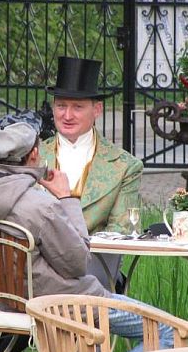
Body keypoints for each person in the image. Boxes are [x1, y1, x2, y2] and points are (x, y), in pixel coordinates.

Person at [0, 110, 173, 352]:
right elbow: (78, 263)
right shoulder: (38, 206)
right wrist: (66, 198)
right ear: (33, 154)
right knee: (167, 331)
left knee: (90, 336)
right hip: (61, 305)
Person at [40, 56, 143, 292]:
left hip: (92, 271)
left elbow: (121, 231)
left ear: (97, 109)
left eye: (77, 107)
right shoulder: (33, 156)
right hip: (36, 266)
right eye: (61, 106)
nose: (67, 115)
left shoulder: (124, 166)